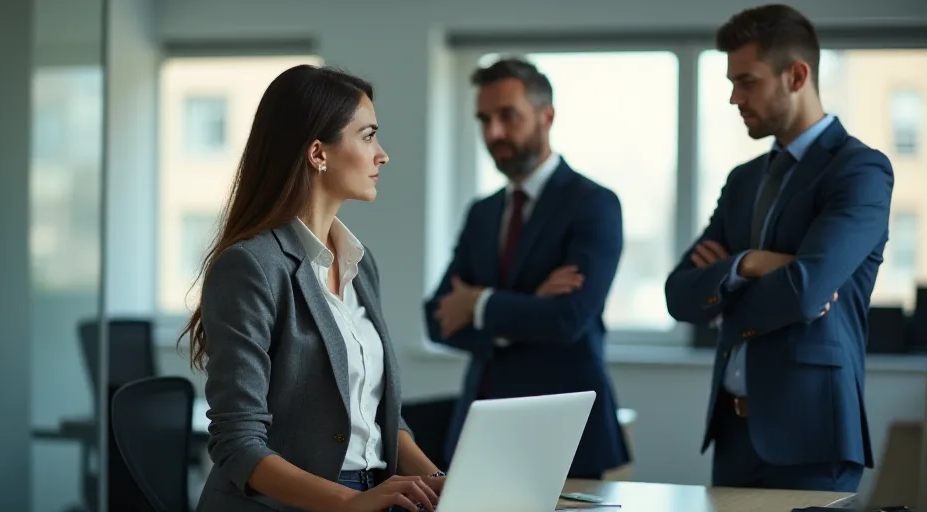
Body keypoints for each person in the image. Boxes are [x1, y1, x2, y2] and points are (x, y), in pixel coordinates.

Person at [181, 64, 445, 512]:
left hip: (372, 496)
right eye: (368, 136)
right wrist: (349, 502)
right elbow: (238, 443)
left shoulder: (361, 263)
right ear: (318, 152)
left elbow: (382, 417)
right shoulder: (250, 267)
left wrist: (439, 481)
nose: (382, 155)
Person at [664, 4, 892, 492]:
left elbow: (808, 292)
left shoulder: (860, 172)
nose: (732, 98)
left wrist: (725, 286)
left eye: (746, 81)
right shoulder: (743, 180)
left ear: (796, 75)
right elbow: (679, 294)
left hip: (812, 436)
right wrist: (750, 264)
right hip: (732, 434)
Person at [423, 57, 630, 479]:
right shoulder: (482, 213)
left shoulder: (594, 204)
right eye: (484, 119)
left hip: (565, 431)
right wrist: (529, 306)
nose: (493, 132)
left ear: (546, 116)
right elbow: (437, 317)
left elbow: (568, 319)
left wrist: (481, 304)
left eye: (507, 116)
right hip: (479, 432)